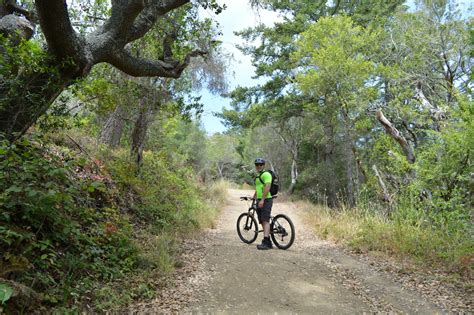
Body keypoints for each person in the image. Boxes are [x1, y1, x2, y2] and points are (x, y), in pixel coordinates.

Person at [253, 157, 273, 250]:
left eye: (261, 164)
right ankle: (268, 240)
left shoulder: (266, 174)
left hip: (266, 200)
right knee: (261, 220)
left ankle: (265, 242)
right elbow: (259, 187)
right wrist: (255, 195)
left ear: (263, 165)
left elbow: (267, 187)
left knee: (265, 220)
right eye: (257, 165)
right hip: (260, 199)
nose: (259, 166)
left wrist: (262, 200)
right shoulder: (258, 175)